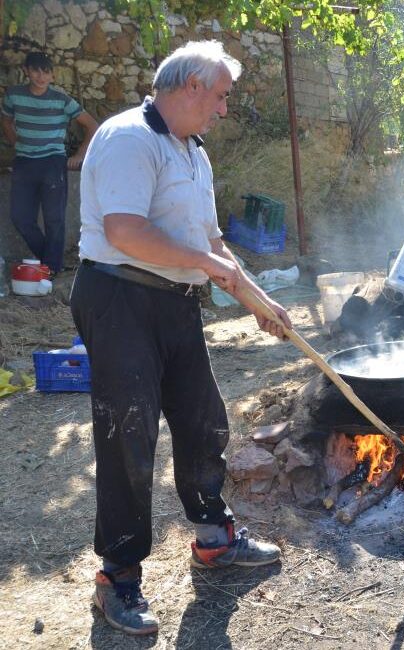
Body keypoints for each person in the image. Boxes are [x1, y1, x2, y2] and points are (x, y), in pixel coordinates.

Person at [71, 41, 293, 636]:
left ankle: (214, 539)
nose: (223, 110)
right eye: (219, 96)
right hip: (119, 297)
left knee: (204, 421)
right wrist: (208, 264)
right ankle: (117, 577)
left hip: (174, 301)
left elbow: (213, 246)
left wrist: (259, 302)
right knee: (129, 434)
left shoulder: (193, 153)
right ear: (190, 85)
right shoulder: (127, 139)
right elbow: (124, 232)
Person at [1, 51, 98, 273]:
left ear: (52, 75)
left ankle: (50, 270)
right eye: (35, 70)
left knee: (54, 219)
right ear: (26, 71)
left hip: (53, 163)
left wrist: (79, 156)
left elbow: (92, 125)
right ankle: (50, 262)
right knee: (20, 217)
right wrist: (18, 143)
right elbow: (6, 121)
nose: (40, 76)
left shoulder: (61, 100)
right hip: (24, 162)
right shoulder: (14, 96)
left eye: (46, 72)